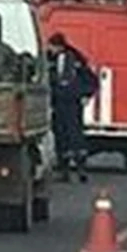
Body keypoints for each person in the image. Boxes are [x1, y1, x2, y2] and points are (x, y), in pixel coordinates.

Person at [46, 32, 98, 183]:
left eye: (51, 46)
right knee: (61, 136)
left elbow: (90, 80)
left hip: (72, 103)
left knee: (75, 135)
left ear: (58, 46)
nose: (50, 50)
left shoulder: (76, 59)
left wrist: (84, 94)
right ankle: (64, 170)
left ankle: (81, 168)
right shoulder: (50, 60)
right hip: (58, 102)